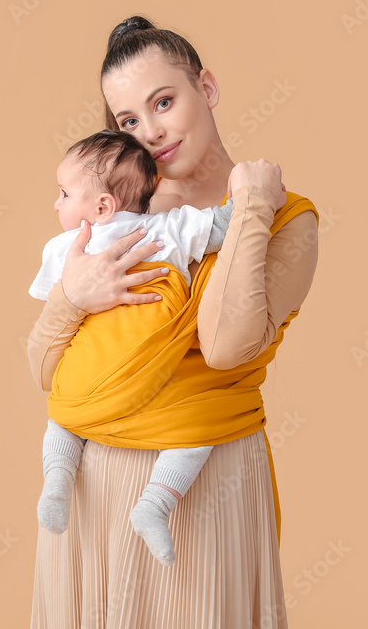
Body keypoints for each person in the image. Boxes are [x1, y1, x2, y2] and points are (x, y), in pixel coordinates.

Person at [28, 15, 319, 628]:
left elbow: (225, 346)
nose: (152, 132)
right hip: (96, 477)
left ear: (205, 88)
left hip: (206, 480)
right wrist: (70, 298)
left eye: (164, 101)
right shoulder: (115, 220)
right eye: (129, 121)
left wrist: (250, 207)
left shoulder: (288, 219)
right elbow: (46, 371)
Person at [31, 128, 285, 567]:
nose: (56, 203)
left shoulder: (62, 249)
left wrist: (76, 292)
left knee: (63, 418)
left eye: (63, 193)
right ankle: (155, 505)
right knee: (195, 431)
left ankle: (57, 482)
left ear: (103, 207)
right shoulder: (163, 230)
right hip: (151, 366)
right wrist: (259, 194)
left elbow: (52, 310)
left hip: (90, 368)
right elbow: (225, 228)